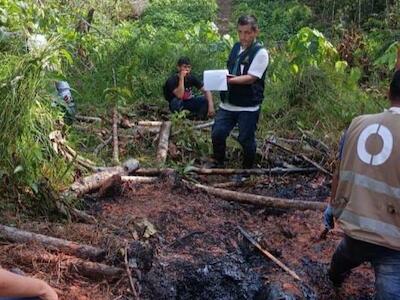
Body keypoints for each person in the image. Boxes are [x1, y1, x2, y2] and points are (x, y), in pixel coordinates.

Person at [323, 45, 400, 299]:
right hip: (394, 242)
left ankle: (333, 277)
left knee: (346, 255)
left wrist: (332, 207)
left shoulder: (358, 123)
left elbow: (339, 170)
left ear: (388, 92)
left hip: (355, 225)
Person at [210, 15, 269, 169]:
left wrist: (227, 80)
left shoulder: (260, 53)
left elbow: (251, 78)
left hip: (248, 106)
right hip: (228, 104)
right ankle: (219, 162)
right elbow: (231, 69)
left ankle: (247, 170)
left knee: (246, 139)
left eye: (247, 32)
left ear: (256, 32)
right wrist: (218, 78)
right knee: (217, 133)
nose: (243, 36)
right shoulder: (236, 47)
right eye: (240, 32)